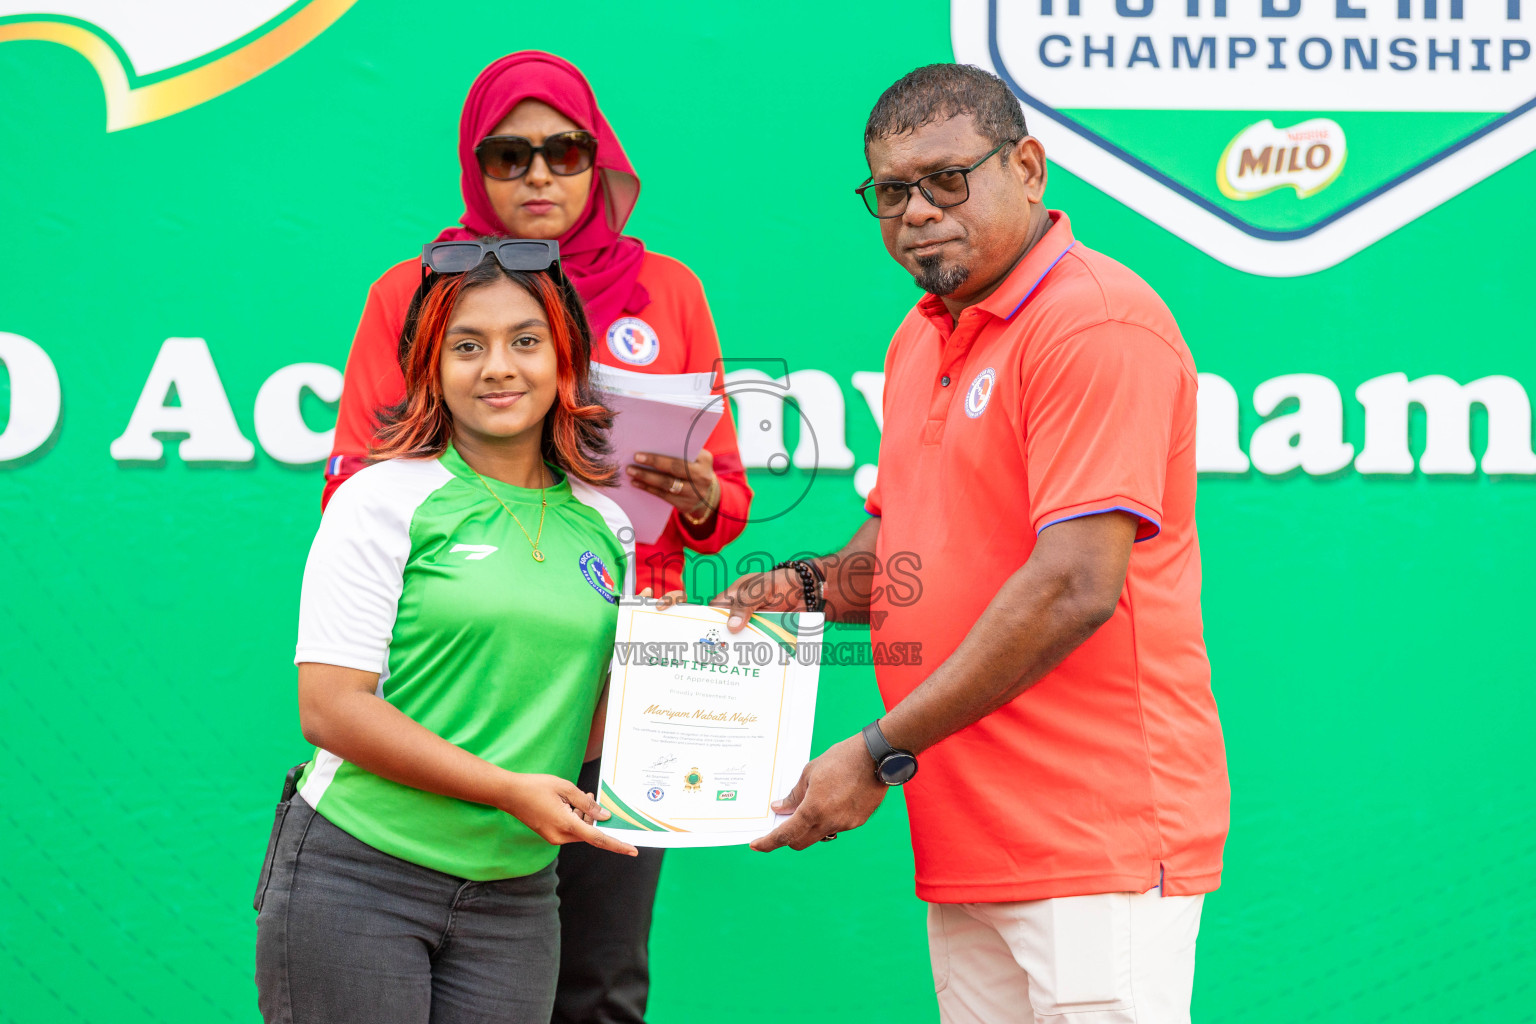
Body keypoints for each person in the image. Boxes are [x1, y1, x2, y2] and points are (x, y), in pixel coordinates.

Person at [713, 64, 1230, 1024]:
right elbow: (899, 547)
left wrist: (877, 753)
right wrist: (797, 585)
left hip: (1094, 842)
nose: (916, 212)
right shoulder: (923, 336)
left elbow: (1076, 584)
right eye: (891, 191)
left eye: (946, 179)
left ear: (1028, 168)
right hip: (967, 835)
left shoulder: (1094, 323)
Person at [322, 52, 753, 1022]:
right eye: (509, 156)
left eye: (564, 152)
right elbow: (355, 477)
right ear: (478, 172)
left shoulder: (667, 292)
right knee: (451, 960)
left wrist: (691, 490)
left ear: (600, 165)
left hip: (619, 681)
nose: (540, 177)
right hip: (468, 679)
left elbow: (725, 503)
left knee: (602, 977)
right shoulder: (414, 292)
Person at [255, 243, 660, 1023]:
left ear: (566, 359)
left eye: (526, 340)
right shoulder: (381, 498)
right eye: (467, 346)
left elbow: (582, 727)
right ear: (430, 369)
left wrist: (705, 689)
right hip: (359, 875)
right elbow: (331, 709)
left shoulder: (609, 526)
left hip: (516, 898)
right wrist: (506, 790)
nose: (499, 366)